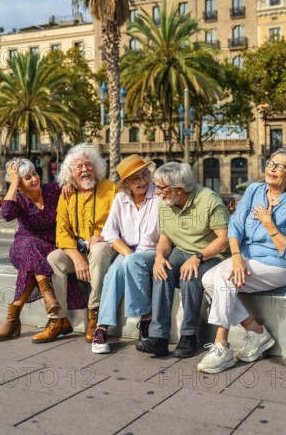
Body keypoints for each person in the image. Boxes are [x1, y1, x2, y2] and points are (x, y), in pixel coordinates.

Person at [197, 148, 286, 374]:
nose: (272, 169)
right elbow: (235, 226)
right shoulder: (254, 190)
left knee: (222, 277)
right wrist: (236, 256)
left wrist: (269, 224)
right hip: (246, 259)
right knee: (209, 278)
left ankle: (221, 345)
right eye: (270, 163)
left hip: (278, 266)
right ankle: (256, 332)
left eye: (280, 166)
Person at [137, 162, 229, 358]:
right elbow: (165, 238)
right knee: (161, 272)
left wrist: (198, 257)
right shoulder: (165, 202)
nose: (157, 192)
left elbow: (224, 240)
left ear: (179, 189)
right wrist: (159, 257)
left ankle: (189, 336)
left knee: (190, 276)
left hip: (212, 254)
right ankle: (159, 338)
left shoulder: (209, 200)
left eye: (161, 188)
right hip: (181, 250)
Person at [0, 158, 86, 342]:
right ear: (19, 185)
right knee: (30, 246)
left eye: (34, 174)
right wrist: (13, 184)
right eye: (27, 178)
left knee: (32, 264)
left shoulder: (51, 190)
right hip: (24, 246)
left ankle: (13, 317)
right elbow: (6, 214)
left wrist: (67, 183)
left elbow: (71, 176)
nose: (35, 179)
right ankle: (49, 298)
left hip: (52, 247)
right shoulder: (19, 198)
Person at [32, 143, 116, 344]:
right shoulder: (67, 193)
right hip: (79, 251)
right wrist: (77, 259)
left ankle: (94, 315)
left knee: (98, 248)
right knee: (54, 258)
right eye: (79, 167)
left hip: (104, 250)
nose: (85, 170)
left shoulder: (111, 189)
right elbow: (62, 233)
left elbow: (122, 222)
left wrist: (104, 236)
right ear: (71, 172)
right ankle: (58, 320)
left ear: (96, 167)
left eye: (89, 165)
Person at [91, 154, 160, 354]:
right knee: (114, 273)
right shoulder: (121, 199)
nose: (143, 181)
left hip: (152, 253)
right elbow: (109, 232)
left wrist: (131, 257)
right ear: (126, 183)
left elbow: (161, 236)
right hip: (129, 251)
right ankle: (102, 327)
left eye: (145, 175)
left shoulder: (159, 197)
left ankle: (146, 320)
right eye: (136, 178)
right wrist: (127, 253)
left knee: (130, 263)